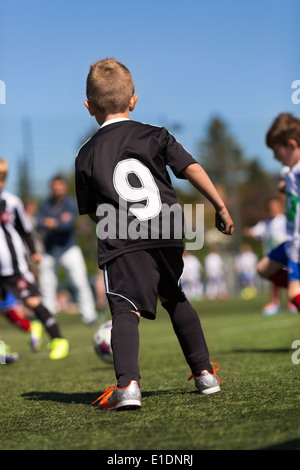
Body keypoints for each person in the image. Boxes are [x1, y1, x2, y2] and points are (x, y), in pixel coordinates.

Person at [75, 58, 234, 410]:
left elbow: (90, 211)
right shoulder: (155, 134)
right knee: (173, 295)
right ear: (134, 100)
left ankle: (128, 386)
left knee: (125, 308)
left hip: (123, 237)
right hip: (168, 231)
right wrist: (219, 206)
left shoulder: (86, 154)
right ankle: (205, 374)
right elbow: (190, 168)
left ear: (89, 107)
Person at [0, 158, 69, 360]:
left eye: (2, 178)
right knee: (5, 310)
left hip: (13, 267)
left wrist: (33, 251)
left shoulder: (11, 202)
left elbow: (26, 231)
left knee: (32, 301)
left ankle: (58, 339)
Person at [36, 174, 98, 325]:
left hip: (69, 248)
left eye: (60, 185)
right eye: (54, 185)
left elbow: (66, 225)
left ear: (64, 187)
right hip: (50, 250)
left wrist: (51, 222)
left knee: (79, 282)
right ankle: (48, 318)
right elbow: (38, 224)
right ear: (51, 187)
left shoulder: (70, 203)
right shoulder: (45, 204)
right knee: (47, 284)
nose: (57, 188)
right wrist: (56, 222)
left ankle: (89, 316)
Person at [257, 113, 300, 314]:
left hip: (298, 242)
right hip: (291, 240)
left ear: (291, 145)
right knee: (263, 268)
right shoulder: (290, 171)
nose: (275, 157)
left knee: (294, 294)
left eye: (277, 151)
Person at [243, 197, 296, 314]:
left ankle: (292, 302)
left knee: (290, 277)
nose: (273, 209)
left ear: (280, 208)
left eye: (275, 207)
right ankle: (275, 303)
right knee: (273, 281)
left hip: (286, 255)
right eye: (270, 208)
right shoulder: (265, 223)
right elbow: (255, 231)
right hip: (272, 257)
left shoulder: (283, 220)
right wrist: (248, 231)